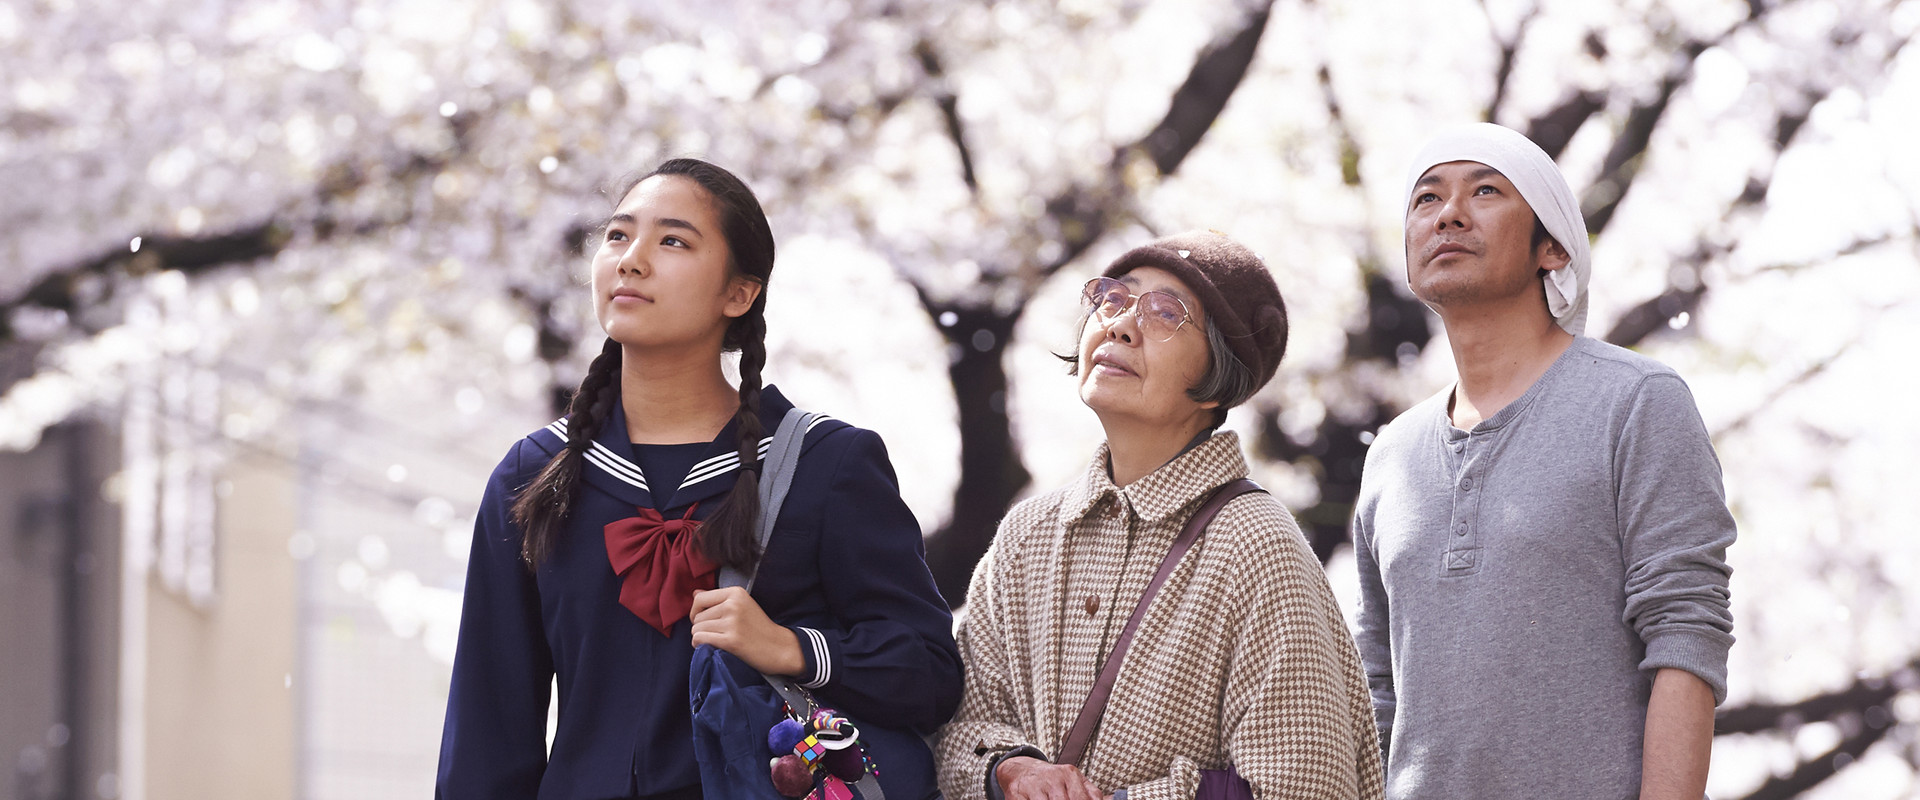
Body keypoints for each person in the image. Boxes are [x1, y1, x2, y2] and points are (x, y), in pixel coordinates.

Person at [436, 158, 963, 799]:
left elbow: (930, 672)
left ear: (739, 294)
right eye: (618, 235)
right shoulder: (534, 473)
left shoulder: (826, 463)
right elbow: (488, 730)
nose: (632, 260)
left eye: (673, 242)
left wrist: (791, 648)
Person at [1351, 123, 1736, 800]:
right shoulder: (1391, 455)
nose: (1449, 214)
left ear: (1552, 247)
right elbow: (1378, 687)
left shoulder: (1636, 402)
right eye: (1427, 198)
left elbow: (1685, 634)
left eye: (1486, 191)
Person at [935, 232, 1385, 800]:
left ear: (1218, 378)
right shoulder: (1028, 534)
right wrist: (1011, 770)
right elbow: (959, 726)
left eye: (1166, 313)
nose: (1121, 325)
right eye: (1112, 299)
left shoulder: (1256, 544)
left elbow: (1305, 784)